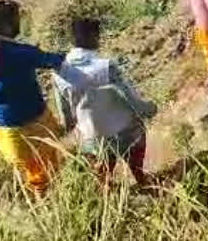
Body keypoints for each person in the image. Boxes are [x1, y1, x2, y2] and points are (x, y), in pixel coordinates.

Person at [0, 1, 65, 193]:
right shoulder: (20, 53)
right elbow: (54, 60)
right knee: (46, 159)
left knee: (25, 165)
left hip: (4, 124)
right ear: (9, 27)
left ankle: (37, 192)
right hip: (33, 117)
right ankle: (48, 194)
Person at [53, 19, 157, 186]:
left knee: (98, 153)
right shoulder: (106, 67)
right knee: (137, 131)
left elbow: (65, 114)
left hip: (92, 138)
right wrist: (149, 109)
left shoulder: (58, 74)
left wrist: (74, 130)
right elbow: (131, 99)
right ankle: (139, 176)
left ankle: (106, 184)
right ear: (94, 36)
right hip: (123, 133)